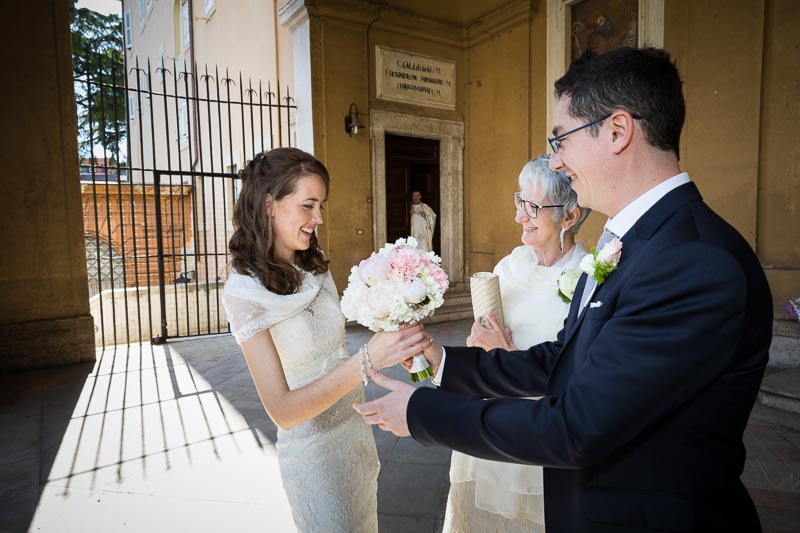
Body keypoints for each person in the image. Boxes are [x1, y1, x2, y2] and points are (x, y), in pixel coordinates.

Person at [354, 47, 772, 532]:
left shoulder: (691, 261)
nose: (555, 160)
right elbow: (563, 360)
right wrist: (448, 363)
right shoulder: (639, 240)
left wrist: (423, 412)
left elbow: (578, 427)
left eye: (562, 140)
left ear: (618, 131)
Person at [221, 147, 430, 533]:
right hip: (312, 452)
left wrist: (391, 334)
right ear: (270, 205)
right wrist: (367, 360)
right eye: (308, 205)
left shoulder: (313, 266)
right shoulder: (244, 293)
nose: (318, 218)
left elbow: (333, 346)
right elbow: (282, 410)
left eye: (322, 205)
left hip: (353, 434)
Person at [445, 155, 589, 533]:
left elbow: (581, 378)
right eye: (519, 202)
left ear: (569, 216)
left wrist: (505, 356)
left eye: (533, 207)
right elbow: (482, 336)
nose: (519, 217)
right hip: (485, 428)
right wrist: (478, 344)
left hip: (536, 441)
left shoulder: (588, 281)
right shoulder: (510, 265)